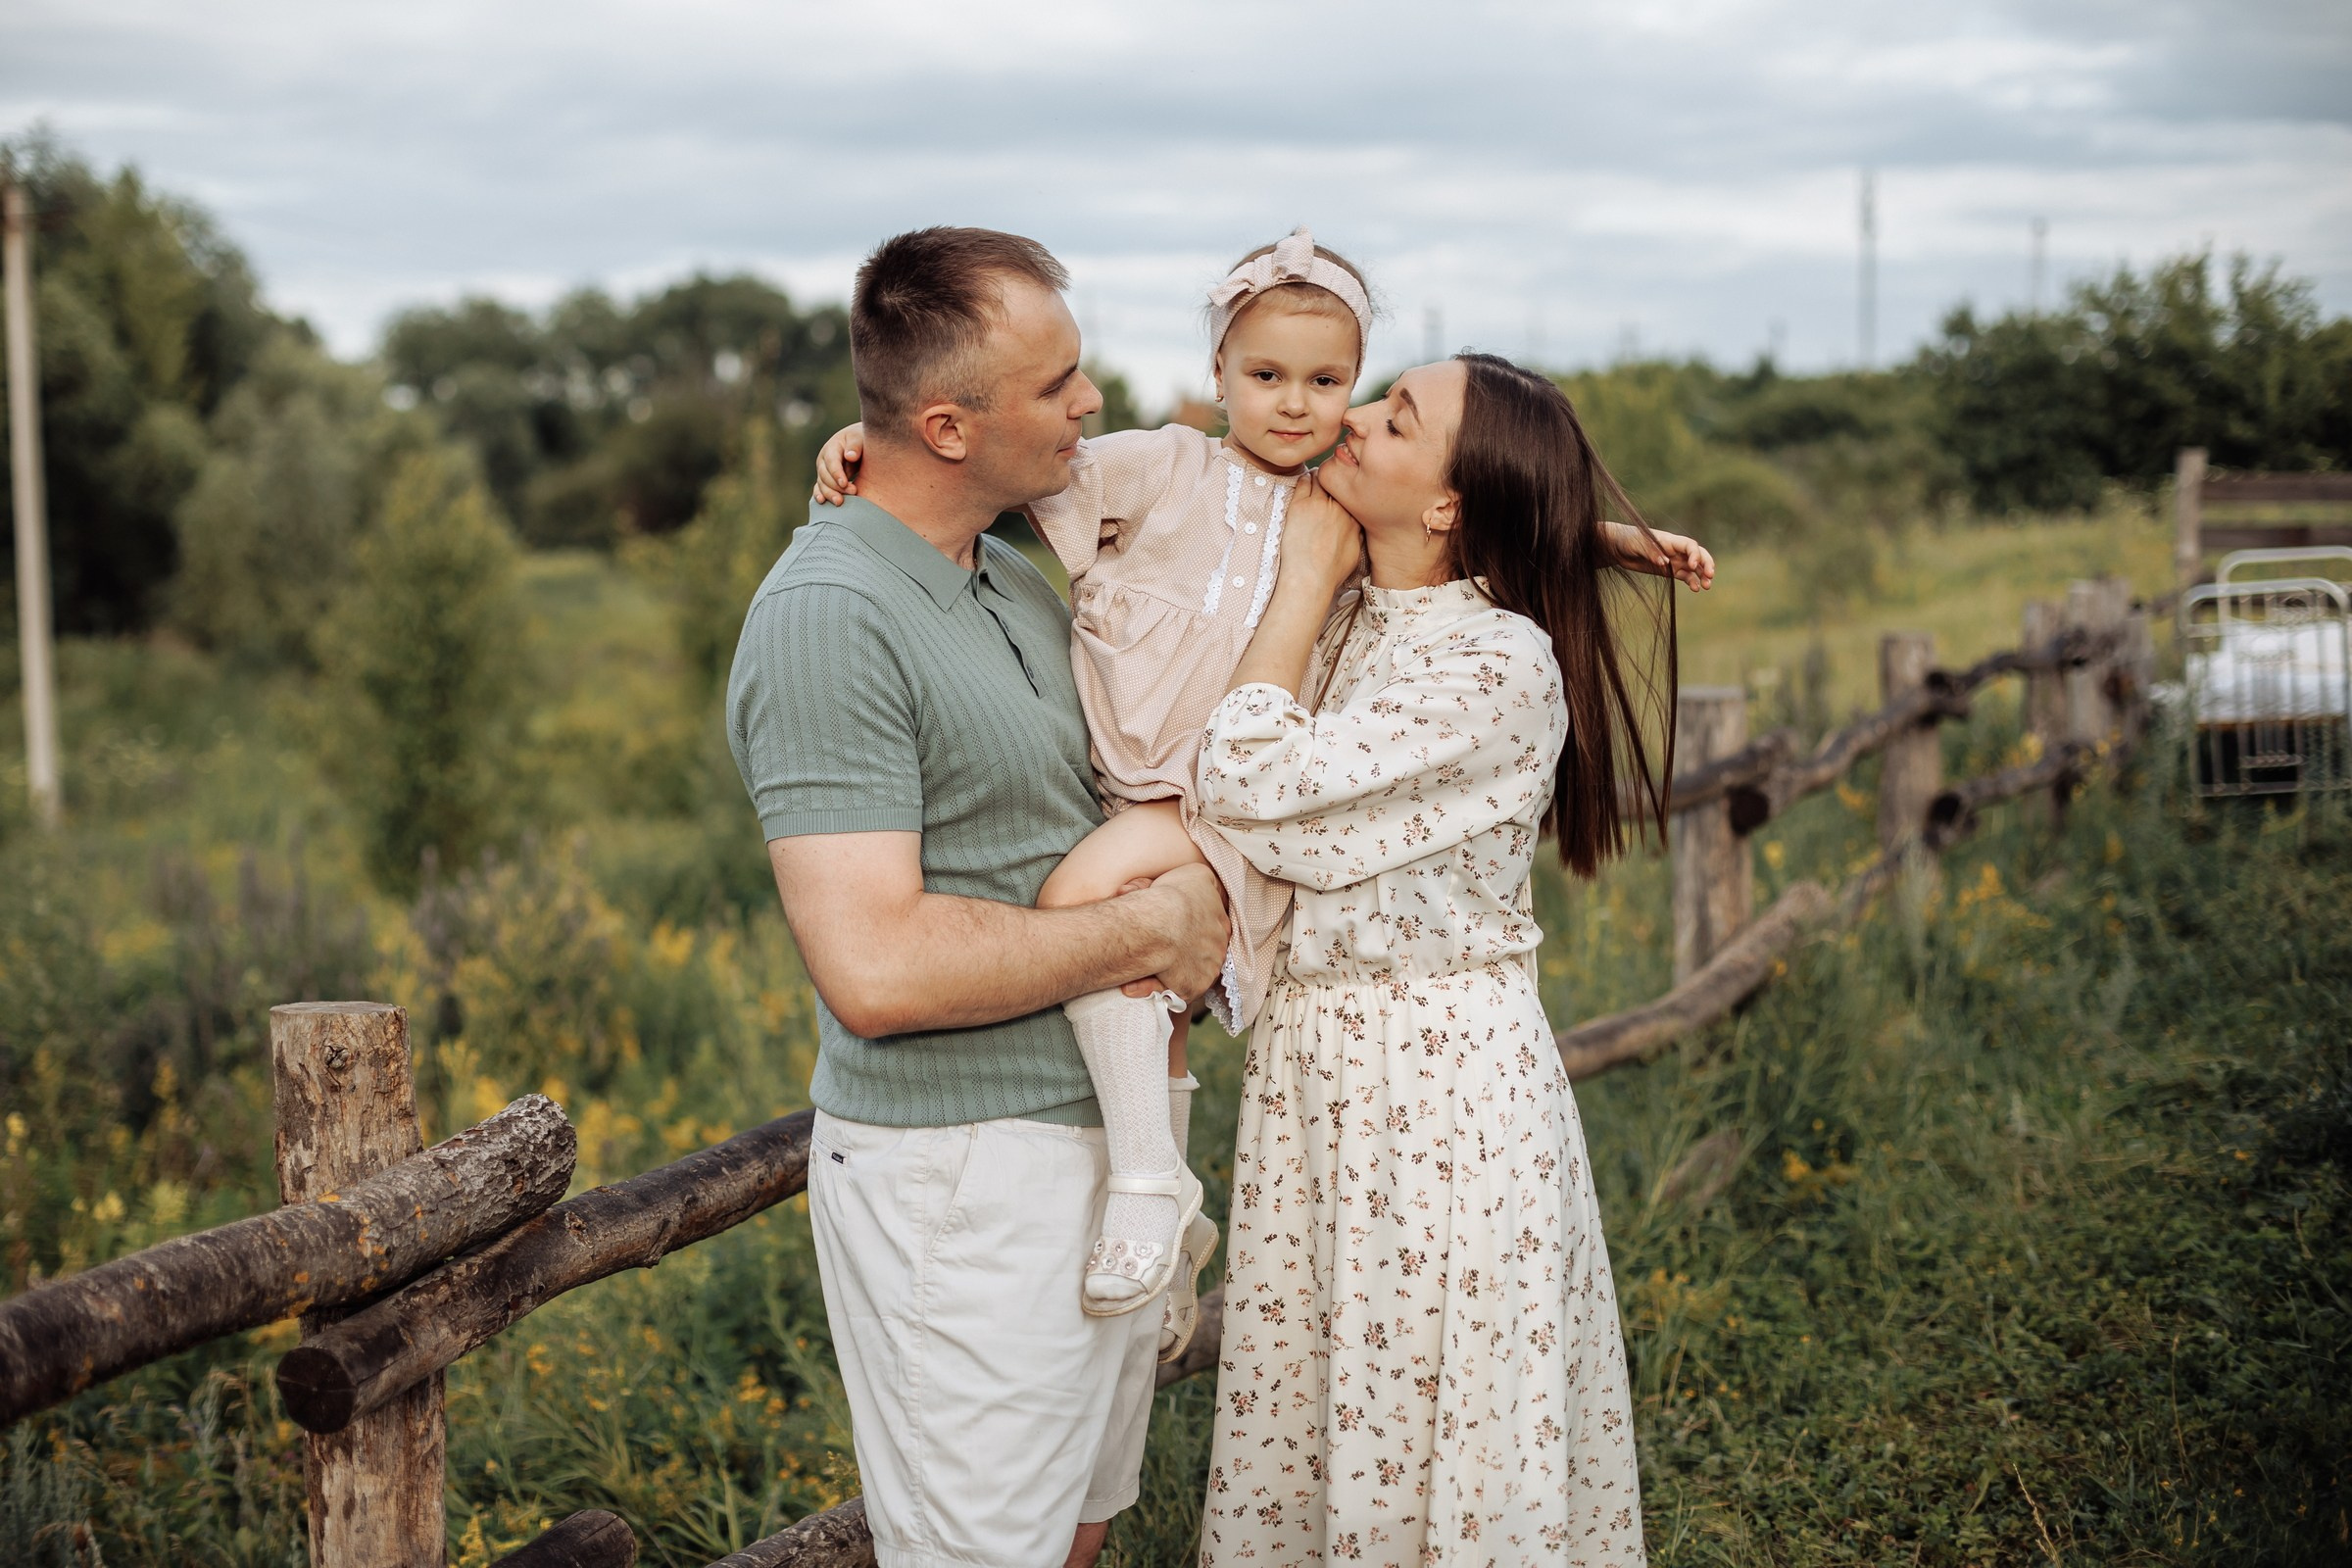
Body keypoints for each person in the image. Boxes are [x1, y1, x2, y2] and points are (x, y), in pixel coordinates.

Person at [810, 230, 1713, 1361]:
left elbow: (1494, 501)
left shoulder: (1368, 543)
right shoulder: (1179, 469)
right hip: (1161, 780)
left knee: (1092, 907)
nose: (1305, 407)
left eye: (1335, 384)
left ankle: (1150, 1180)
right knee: (1146, 974)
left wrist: (1611, 540)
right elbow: (1013, 461)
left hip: (1226, 804)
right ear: (1222, 372)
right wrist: (880, 438)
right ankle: (1161, 1195)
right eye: (1268, 376)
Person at [725, 225, 1230, 1568]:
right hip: (963, 1173)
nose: (1091, 401)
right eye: (1057, 383)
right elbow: (875, 969)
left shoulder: (1006, 564)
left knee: (1079, 1531)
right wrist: (1152, 929)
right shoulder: (828, 616)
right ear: (948, 427)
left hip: (1107, 1137)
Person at [1193, 352, 1705, 1564]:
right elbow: (1156, 495)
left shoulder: (1498, 667)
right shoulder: (1355, 608)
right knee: (1320, 1416)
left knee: (1436, 1421)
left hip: (1435, 1100)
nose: (1353, 415)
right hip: (1318, 1075)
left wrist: (1308, 576)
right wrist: (863, 457)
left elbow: (1248, 780)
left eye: (1395, 415)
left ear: (1445, 503)